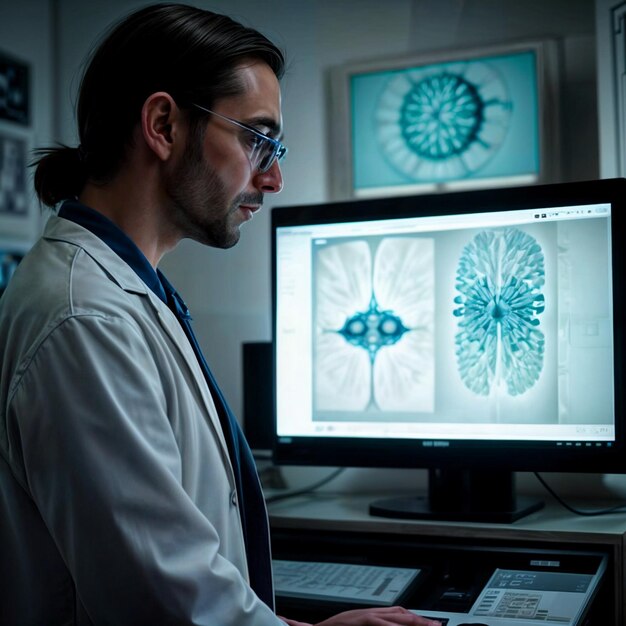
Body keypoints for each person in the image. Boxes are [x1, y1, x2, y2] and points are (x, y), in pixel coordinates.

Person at [0, 4, 441, 625]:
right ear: (163, 124)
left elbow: (181, 582)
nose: (276, 178)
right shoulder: (86, 318)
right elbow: (158, 603)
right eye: (259, 140)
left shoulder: (127, 289)